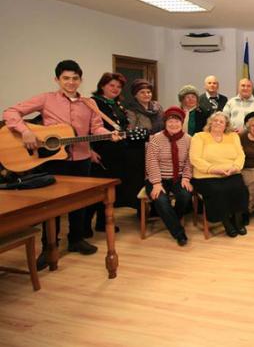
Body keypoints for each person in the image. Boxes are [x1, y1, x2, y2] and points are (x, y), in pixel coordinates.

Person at [2, 60, 120, 269]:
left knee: (79, 202)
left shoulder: (89, 104)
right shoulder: (46, 99)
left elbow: (96, 128)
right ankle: (49, 247)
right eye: (66, 78)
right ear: (57, 79)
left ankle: (76, 239)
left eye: (75, 78)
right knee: (51, 206)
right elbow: (10, 112)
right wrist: (26, 131)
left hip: (81, 158)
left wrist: (109, 134)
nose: (71, 82)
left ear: (80, 80)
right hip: (53, 160)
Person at [189, 112, 249, 237]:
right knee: (218, 191)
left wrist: (235, 167)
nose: (218, 123)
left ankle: (238, 221)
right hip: (206, 175)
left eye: (221, 122)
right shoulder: (199, 136)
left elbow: (240, 155)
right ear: (210, 122)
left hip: (231, 172)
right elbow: (195, 158)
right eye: (215, 120)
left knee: (240, 188)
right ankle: (226, 222)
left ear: (226, 125)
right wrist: (213, 169)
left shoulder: (233, 136)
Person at [84, 72, 129, 236]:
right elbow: (84, 129)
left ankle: (103, 222)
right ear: (102, 86)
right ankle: (84, 227)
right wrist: (89, 150)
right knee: (96, 192)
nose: (115, 89)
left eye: (119, 86)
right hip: (99, 152)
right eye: (112, 85)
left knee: (110, 191)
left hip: (116, 153)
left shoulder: (117, 104)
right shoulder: (92, 103)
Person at [144, 106, 193, 246]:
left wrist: (186, 178)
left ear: (182, 123)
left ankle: (171, 219)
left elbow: (190, 161)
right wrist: (156, 183)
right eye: (170, 121)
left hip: (178, 178)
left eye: (177, 121)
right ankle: (179, 233)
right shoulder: (156, 138)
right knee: (161, 200)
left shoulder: (188, 139)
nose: (173, 124)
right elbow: (151, 161)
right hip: (157, 178)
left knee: (185, 195)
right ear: (165, 122)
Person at [125, 78, 164, 211]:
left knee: (157, 176)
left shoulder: (157, 107)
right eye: (142, 92)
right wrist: (148, 134)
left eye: (148, 92)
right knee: (140, 179)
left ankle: (157, 207)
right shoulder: (131, 109)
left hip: (158, 146)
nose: (146, 94)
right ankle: (141, 210)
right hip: (139, 148)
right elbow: (131, 129)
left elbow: (165, 123)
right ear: (135, 94)